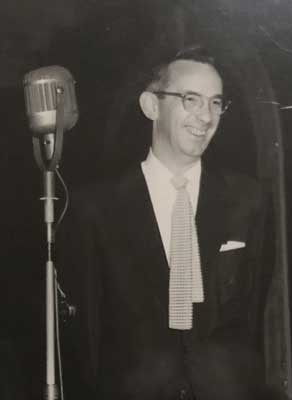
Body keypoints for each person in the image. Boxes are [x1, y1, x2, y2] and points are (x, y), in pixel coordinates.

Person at [59, 46, 272, 400]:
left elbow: (253, 317)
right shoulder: (94, 208)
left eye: (216, 102)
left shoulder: (248, 200)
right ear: (151, 105)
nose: (206, 116)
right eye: (191, 99)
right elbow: (87, 336)